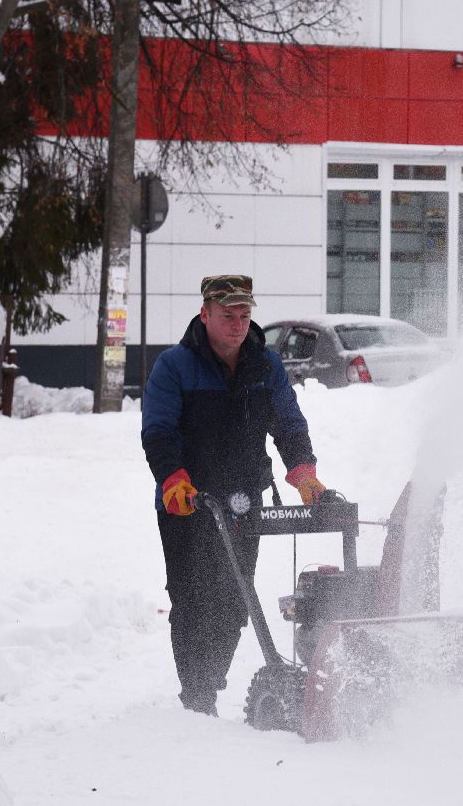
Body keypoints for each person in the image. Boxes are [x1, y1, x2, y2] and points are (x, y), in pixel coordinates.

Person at [140, 274, 327, 715]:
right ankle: (197, 694)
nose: (239, 323)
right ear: (205, 314)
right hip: (186, 501)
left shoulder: (265, 366)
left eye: (245, 314)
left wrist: (303, 473)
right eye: (228, 315)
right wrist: (173, 480)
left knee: (233, 597)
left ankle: (210, 680)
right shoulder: (175, 365)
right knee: (191, 597)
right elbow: (159, 431)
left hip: (243, 498)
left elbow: (288, 423)